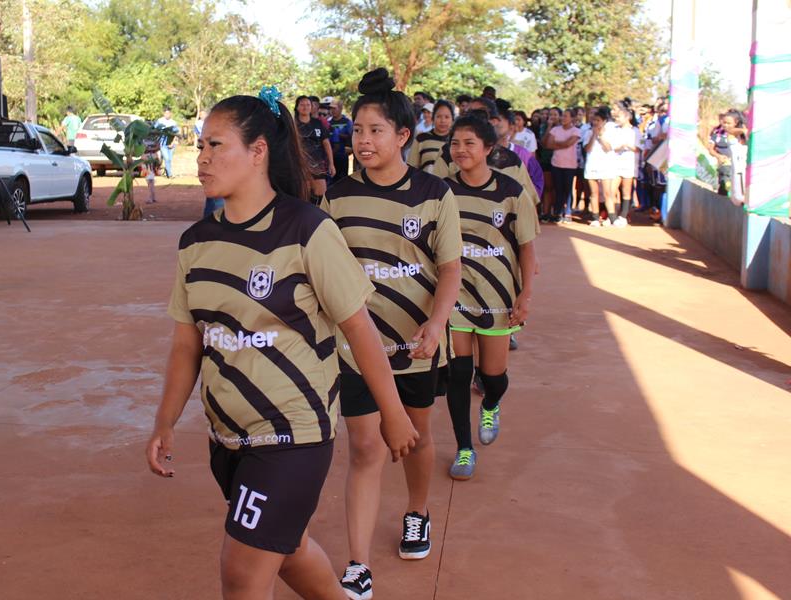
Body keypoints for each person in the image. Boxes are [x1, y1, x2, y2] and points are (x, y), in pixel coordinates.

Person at [147, 87, 418, 600]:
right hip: (227, 439)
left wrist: (392, 412)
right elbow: (188, 344)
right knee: (287, 550)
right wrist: (165, 421)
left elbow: (359, 328)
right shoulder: (195, 242)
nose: (202, 159)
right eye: (200, 146)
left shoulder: (307, 230)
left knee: (243, 573)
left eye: (215, 146)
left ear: (257, 152)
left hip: (293, 433)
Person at [320, 68, 462, 600]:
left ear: (403, 136)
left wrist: (437, 320)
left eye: (375, 130)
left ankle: (417, 511)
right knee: (364, 448)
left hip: (418, 346)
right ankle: (358, 564)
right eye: (357, 130)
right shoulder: (337, 198)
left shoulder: (433, 194)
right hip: (357, 348)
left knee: (416, 437)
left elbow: (450, 268)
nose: (363, 140)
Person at [444, 113, 538, 479]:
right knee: (457, 374)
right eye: (455, 143)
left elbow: (528, 249)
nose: (461, 150)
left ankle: (492, 404)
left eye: (469, 143)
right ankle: (464, 448)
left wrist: (525, 295)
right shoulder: (443, 191)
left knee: (492, 375)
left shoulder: (511, 192)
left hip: (498, 297)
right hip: (455, 297)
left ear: (488, 148)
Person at [294, 95, 335, 201]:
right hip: (300, 165)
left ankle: (319, 217)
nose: (305, 107)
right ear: (297, 107)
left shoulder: (317, 123)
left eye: (308, 105)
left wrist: (331, 164)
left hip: (318, 164)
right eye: (302, 105)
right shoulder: (293, 125)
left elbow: (326, 143)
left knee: (321, 196)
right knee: (304, 196)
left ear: (312, 107)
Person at [544, 108, 581, 223]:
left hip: (570, 165)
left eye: (566, 116)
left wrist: (557, 144)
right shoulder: (555, 129)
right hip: (556, 163)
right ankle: (558, 212)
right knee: (558, 189)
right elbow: (549, 145)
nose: (562, 118)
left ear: (572, 118)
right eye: (562, 116)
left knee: (568, 189)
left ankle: (568, 212)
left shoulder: (576, 131)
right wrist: (562, 144)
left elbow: (569, 143)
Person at [582, 106, 617, 226]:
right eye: (594, 120)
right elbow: (587, 148)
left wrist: (600, 136)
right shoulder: (588, 133)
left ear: (604, 121)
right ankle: (595, 218)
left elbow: (608, 148)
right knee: (594, 193)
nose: (595, 122)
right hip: (591, 165)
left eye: (598, 120)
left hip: (605, 166)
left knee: (607, 193)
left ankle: (612, 217)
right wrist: (593, 135)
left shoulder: (610, 132)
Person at [610, 101, 642, 226]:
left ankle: (623, 215)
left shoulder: (635, 131)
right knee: (611, 190)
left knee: (626, 191)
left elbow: (638, 148)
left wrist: (627, 145)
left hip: (629, 164)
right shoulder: (615, 130)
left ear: (627, 117)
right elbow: (612, 146)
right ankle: (612, 214)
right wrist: (619, 147)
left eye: (620, 117)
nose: (617, 119)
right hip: (616, 163)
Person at [407, 99, 454, 173]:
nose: (443, 120)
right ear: (433, 118)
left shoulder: (456, 141)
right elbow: (411, 166)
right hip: (424, 183)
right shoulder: (421, 138)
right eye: (438, 116)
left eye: (447, 117)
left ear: (453, 119)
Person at [327, 98, 353, 182]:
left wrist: (338, 134)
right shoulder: (328, 122)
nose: (332, 111)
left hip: (342, 155)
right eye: (331, 108)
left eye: (334, 108)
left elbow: (351, 137)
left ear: (340, 108)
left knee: (342, 180)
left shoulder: (347, 122)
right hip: (330, 156)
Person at [156, 108, 180, 179]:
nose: (167, 115)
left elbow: (176, 133)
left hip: (171, 142)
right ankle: (169, 174)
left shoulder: (173, 122)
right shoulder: (160, 121)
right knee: (166, 158)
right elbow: (155, 130)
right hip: (163, 142)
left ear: (170, 114)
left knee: (169, 159)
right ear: (163, 114)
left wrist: (172, 143)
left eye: (168, 113)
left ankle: (168, 172)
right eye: (166, 113)